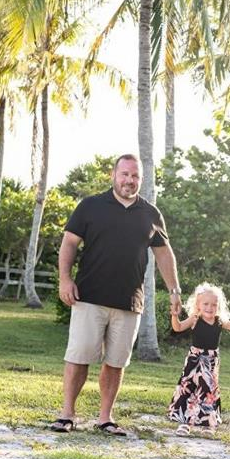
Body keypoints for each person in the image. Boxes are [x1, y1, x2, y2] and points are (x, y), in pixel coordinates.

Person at [50, 154, 182, 435]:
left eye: (135, 176)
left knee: (115, 363)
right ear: (114, 175)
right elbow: (69, 243)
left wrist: (174, 290)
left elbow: (163, 254)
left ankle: (105, 418)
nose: (129, 180)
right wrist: (65, 279)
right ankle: (67, 414)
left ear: (141, 180)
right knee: (78, 356)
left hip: (129, 301)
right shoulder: (90, 206)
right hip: (89, 296)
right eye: (124, 174)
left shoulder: (151, 213)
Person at [168, 282, 230, 436]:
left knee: (208, 391)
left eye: (214, 304)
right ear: (198, 305)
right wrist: (174, 315)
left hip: (211, 361)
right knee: (190, 388)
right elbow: (178, 327)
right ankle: (186, 422)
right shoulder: (194, 319)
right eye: (205, 304)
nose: (209, 307)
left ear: (218, 306)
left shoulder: (219, 321)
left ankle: (208, 423)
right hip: (194, 359)